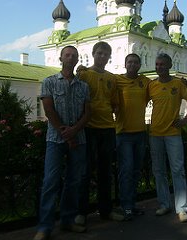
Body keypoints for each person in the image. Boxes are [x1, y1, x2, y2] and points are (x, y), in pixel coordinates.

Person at [33, 45, 90, 240]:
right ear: (61, 58)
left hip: (79, 140)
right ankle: (44, 227)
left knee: (74, 181)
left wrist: (74, 131)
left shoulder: (83, 86)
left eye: (74, 55)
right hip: (55, 140)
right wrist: (67, 133)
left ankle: (68, 220)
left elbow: (87, 113)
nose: (71, 58)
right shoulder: (49, 82)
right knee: (50, 181)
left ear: (77, 60)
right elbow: (48, 110)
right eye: (67, 54)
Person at [77, 41, 124, 225]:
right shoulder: (84, 74)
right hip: (88, 128)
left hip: (107, 129)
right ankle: (82, 212)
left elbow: (115, 104)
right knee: (85, 171)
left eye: (105, 54)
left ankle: (106, 210)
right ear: (93, 54)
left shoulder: (112, 78)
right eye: (99, 53)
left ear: (109, 57)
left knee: (106, 172)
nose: (102, 56)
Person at [148, 53, 187, 223]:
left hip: (173, 134)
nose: (159, 67)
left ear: (169, 66)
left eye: (162, 64)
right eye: (157, 64)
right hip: (155, 134)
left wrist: (184, 120)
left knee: (177, 170)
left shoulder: (178, 84)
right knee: (159, 171)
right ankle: (164, 204)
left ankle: (182, 209)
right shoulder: (151, 85)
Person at [115, 53, 151, 220]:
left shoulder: (145, 81)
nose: (132, 64)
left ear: (139, 65)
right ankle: (126, 206)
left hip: (140, 133)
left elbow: (159, 87)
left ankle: (132, 204)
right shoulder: (117, 80)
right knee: (127, 170)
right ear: (125, 64)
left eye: (136, 62)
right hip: (124, 134)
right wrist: (84, 70)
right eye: (129, 61)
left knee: (136, 171)